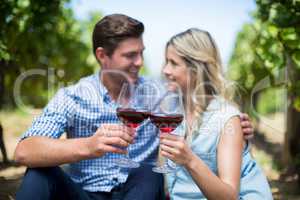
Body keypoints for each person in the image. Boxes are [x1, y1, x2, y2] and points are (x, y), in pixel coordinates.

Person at [14, 14, 254, 200]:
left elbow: (201, 105)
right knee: (39, 173)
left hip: (139, 192)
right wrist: (88, 145)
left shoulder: (161, 93)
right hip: (84, 194)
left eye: (141, 53)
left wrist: (233, 123)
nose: (139, 62)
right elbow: (24, 151)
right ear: (102, 55)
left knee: (148, 171)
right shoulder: (72, 96)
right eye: (130, 55)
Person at [159, 28, 273, 199]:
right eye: (166, 62)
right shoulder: (171, 109)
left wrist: (190, 160)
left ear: (196, 69)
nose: (165, 70)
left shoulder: (226, 118)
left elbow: (229, 196)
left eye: (174, 63)